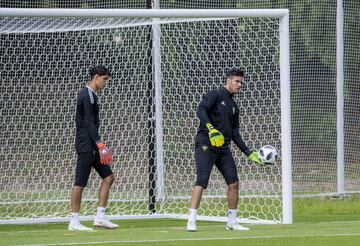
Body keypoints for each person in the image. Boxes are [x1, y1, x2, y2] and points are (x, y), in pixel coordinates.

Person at [186, 68, 263, 232]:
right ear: (227, 81)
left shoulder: (234, 106)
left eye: (242, 82)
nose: (240, 85)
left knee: (234, 183)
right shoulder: (215, 94)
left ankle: (232, 222)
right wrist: (210, 129)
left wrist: (249, 152)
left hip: (224, 149)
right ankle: (191, 220)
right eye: (237, 81)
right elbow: (200, 110)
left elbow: (235, 133)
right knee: (202, 181)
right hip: (206, 145)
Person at [68, 65, 118, 231]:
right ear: (96, 77)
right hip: (86, 145)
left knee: (109, 177)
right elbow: (89, 123)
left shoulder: (93, 95)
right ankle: (74, 222)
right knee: (80, 183)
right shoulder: (86, 94)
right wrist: (100, 144)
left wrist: (98, 144)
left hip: (93, 145)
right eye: (104, 79)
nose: (106, 83)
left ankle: (100, 217)